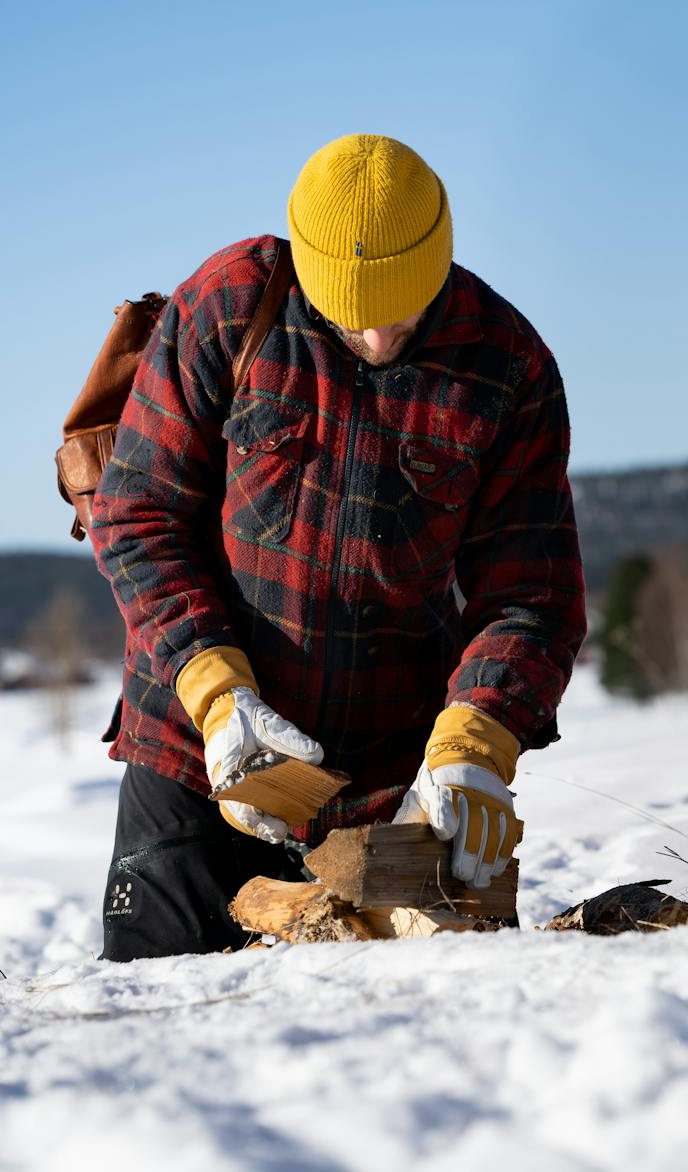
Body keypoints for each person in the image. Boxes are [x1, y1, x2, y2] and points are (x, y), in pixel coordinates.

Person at [90, 132, 587, 960]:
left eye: (399, 309)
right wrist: (218, 697)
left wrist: (477, 741)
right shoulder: (229, 304)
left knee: (402, 1036)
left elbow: (530, 594)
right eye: (347, 315)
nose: (375, 337)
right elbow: (137, 516)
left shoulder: (508, 367)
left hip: (388, 783)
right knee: (159, 1014)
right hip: (193, 748)